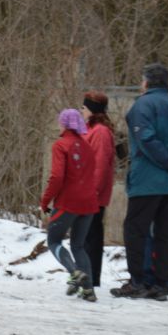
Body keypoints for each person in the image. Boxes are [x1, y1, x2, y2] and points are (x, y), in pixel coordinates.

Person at [110, 63, 168, 302]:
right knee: (165, 233)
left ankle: (137, 281)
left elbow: (146, 139)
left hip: (147, 181)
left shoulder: (142, 106)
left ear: (146, 82)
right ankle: (161, 284)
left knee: (135, 230)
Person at [41, 108, 99, 301]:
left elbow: (57, 177)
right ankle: (88, 290)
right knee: (78, 246)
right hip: (89, 203)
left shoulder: (61, 145)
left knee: (54, 240)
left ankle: (74, 272)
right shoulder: (88, 147)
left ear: (64, 124)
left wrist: (45, 200)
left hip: (67, 203)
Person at [81, 91, 116, 288]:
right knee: (86, 236)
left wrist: (92, 191)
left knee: (91, 236)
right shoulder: (91, 130)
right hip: (87, 192)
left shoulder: (100, 132)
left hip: (93, 194)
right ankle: (87, 274)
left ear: (92, 111)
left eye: (84, 108)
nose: (81, 111)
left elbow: (100, 165)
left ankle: (92, 277)